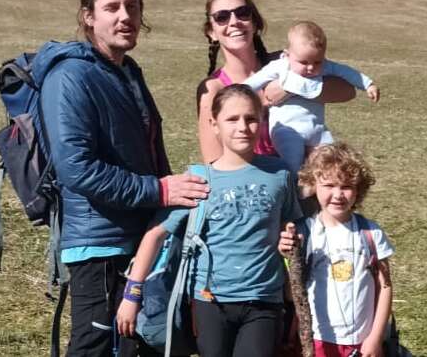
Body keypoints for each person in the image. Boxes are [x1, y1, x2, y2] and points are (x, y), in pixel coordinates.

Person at [38, 0, 210, 357]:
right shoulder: (69, 76)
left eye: (132, 6)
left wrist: (163, 210)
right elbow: (76, 168)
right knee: (95, 345)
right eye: (112, 7)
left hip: (137, 231)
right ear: (88, 17)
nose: (125, 16)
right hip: (98, 242)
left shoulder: (128, 72)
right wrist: (160, 190)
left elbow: (149, 152)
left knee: (137, 344)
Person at [116, 84, 302, 357]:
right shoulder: (198, 179)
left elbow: (291, 223)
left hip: (264, 300)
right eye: (232, 119)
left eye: (251, 118)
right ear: (214, 125)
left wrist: (291, 238)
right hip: (208, 301)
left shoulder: (279, 174)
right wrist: (132, 295)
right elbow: (155, 235)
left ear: (262, 121)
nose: (243, 127)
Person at [196, 0, 357, 163]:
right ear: (211, 32)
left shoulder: (287, 62)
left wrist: (290, 85)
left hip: (309, 177)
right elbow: (213, 162)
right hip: (260, 185)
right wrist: (259, 101)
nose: (234, 22)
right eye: (222, 17)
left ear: (255, 23)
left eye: (243, 13)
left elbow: (347, 91)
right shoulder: (214, 88)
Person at [281, 144, 394, 357]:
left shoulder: (371, 233)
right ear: (313, 185)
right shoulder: (305, 233)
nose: (338, 194)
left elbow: (385, 287)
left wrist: (375, 338)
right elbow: (290, 293)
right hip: (317, 340)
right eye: (329, 185)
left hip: (362, 341)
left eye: (347, 186)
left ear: (359, 189)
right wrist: (288, 257)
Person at [244, 21, 380, 173]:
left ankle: (313, 191)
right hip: (287, 130)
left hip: (317, 130)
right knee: (293, 164)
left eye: (317, 62)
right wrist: (237, 93)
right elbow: (253, 82)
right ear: (288, 54)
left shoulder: (324, 66)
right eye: (303, 62)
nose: (310, 67)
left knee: (329, 163)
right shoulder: (279, 66)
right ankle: (295, 191)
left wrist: (368, 84)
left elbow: (346, 72)